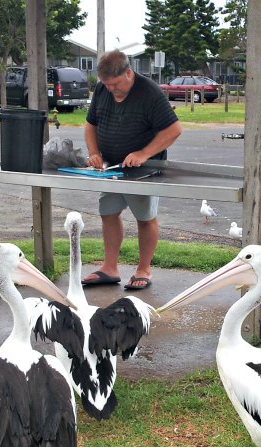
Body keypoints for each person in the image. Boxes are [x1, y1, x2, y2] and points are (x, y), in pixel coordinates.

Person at [82, 50, 182, 290]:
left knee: (144, 217)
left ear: (128, 73)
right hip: (112, 168)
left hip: (145, 169)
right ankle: (109, 268)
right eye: (106, 85)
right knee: (108, 211)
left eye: (116, 84)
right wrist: (94, 153)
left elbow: (173, 130)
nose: (111, 90)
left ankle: (144, 269)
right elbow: (90, 124)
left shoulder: (149, 92)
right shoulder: (102, 91)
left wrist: (143, 154)